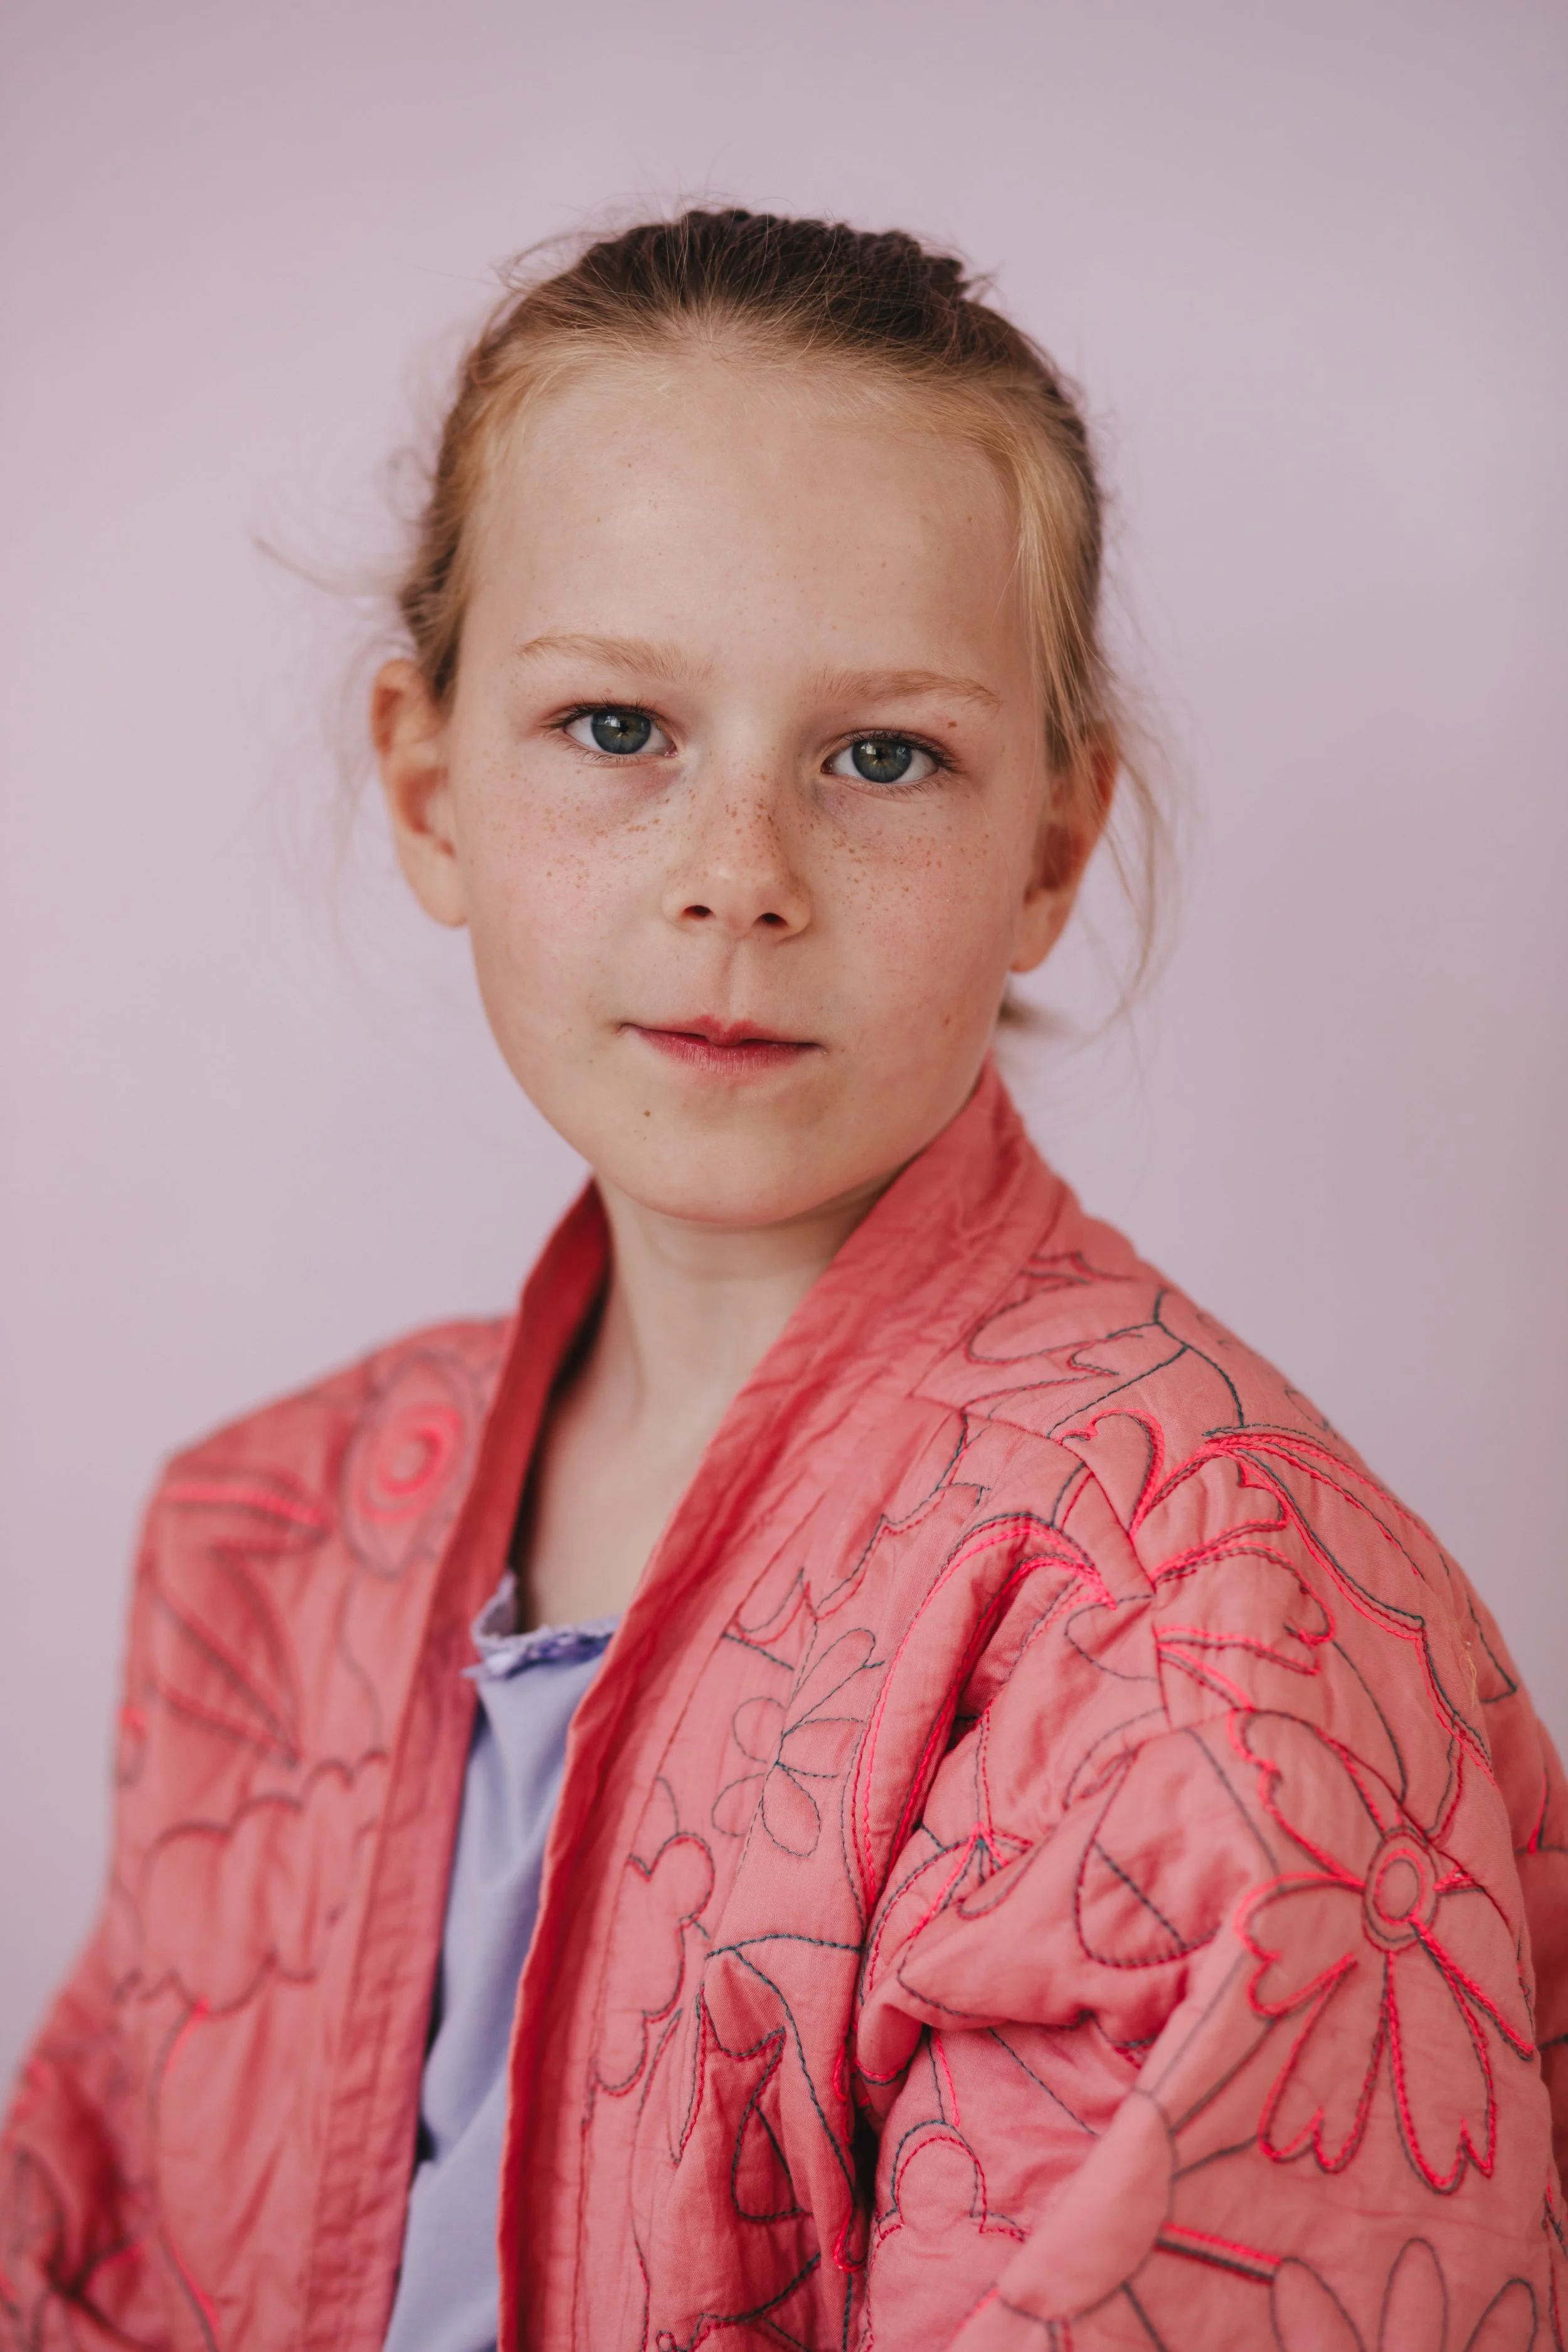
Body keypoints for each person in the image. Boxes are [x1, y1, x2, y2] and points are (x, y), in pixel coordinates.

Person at [1, 209, 1562, 2352]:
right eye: (615, 726)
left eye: (881, 755)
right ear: (430, 784)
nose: (737, 876)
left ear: (1048, 849)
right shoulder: (267, 1540)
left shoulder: (1188, 1618)